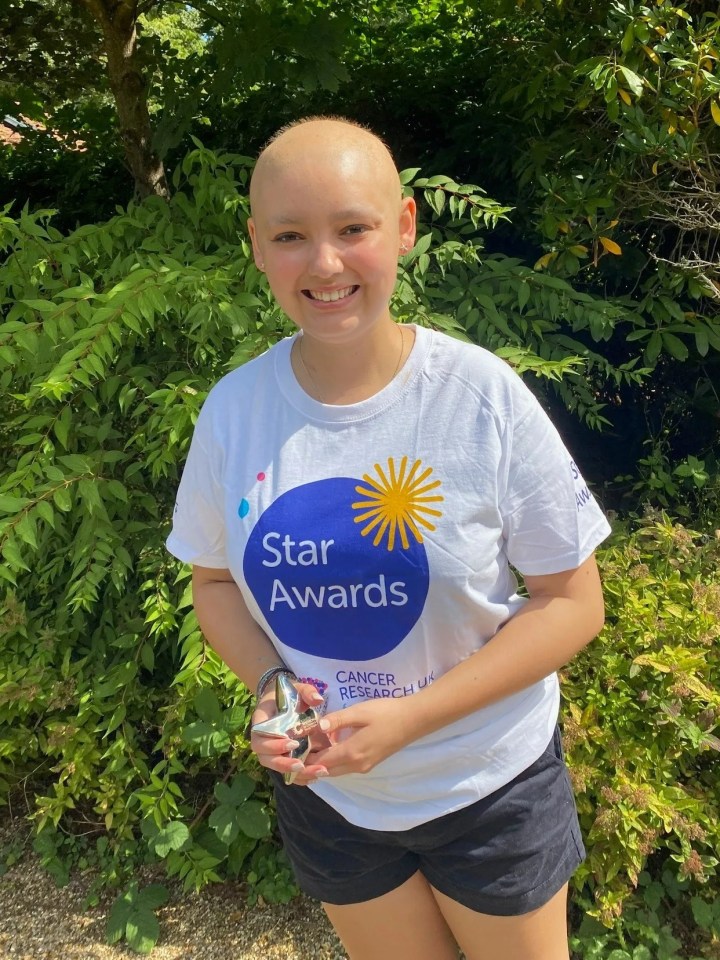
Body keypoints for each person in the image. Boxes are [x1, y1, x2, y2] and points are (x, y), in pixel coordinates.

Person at [166, 116, 611, 960]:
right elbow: (216, 583)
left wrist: (410, 721)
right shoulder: (234, 410)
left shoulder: (479, 396)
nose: (325, 264)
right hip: (332, 797)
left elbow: (572, 602)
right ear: (256, 246)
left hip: (489, 785)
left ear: (403, 227)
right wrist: (270, 684)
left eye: (353, 229)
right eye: (291, 236)